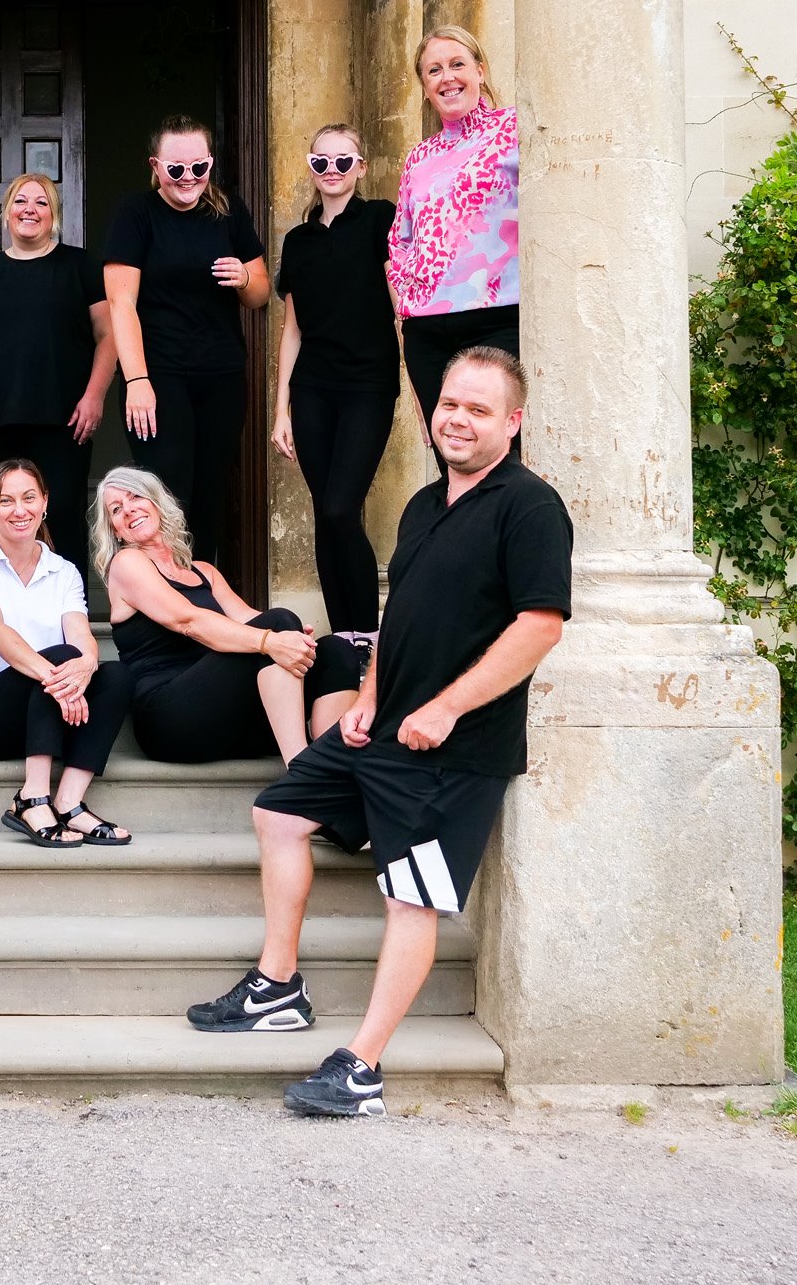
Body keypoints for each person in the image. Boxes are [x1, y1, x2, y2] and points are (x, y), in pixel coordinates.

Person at [188, 347, 571, 1120]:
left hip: (453, 751)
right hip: (382, 729)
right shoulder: (425, 504)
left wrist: (447, 708)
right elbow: (399, 614)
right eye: (450, 404)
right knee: (279, 813)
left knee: (411, 898)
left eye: (479, 409)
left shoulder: (530, 507)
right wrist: (366, 691)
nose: (458, 419)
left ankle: (361, 1068)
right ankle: (278, 987)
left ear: (514, 423)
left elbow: (539, 627)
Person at [97, 467, 361, 767]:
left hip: (226, 716)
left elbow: (249, 619)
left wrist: (296, 638)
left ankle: (332, 766)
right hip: (171, 719)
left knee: (336, 651)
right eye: (116, 510)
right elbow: (187, 621)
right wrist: (272, 639)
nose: (129, 510)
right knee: (276, 627)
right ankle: (301, 772)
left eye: (135, 497)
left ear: (156, 502)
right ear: (116, 530)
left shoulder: (203, 572)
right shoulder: (126, 563)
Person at [101, 115, 269, 566]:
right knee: (167, 492)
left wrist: (244, 277)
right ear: (156, 166)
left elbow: (260, 293)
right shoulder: (135, 214)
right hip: (159, 376)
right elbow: (122, 305)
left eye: (200, 167)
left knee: (212, 494)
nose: (189, 178)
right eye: (177, 169)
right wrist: (137, 380)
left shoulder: (227, 211)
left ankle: (203, 604)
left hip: (222, 374)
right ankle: (163, 605)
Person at [0, 458, 134, 849]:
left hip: (41, 715)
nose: (20, 510)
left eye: (29, 498)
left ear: (45, 503)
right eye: (7, 500)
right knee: (62, 656)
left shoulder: (62, 571)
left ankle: (69, 802)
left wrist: (84, 669)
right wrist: (63, 679)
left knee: (117, 675)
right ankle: (30, 798)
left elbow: (83, 641)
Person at [0, 173, 115, 588]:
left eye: (41, 202)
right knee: (9, 520)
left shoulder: (80, 266)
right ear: (7, 212)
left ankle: (71, 622)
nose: (30, 210)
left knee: (62, 518)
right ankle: (8, 621)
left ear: (53, 214)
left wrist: (95, 396)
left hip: (65, 422)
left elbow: (109, 336)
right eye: (21, 201)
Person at [270, 124, 399, 642]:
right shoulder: (298, 241)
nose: (332, 171)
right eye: (321, 162)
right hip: (312, 391)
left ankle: (368, 636)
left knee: (343, 506)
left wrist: (417, 386)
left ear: (361, 167)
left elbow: (400, 307)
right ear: (310, 167)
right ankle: (345, 640)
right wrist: (281, 410)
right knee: (327, 513)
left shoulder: (379, 219)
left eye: (343, 162)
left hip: (368, 383)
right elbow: (292, 330)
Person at [387, 27, 520, 437]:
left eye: (457, 64)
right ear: (425, 86)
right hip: (427, 332)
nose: (447, 77)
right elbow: (400, 242)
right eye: (434, 70)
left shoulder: (515, 129)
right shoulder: (419, 156)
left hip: (494, 320)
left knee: (499, 452)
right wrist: (408, 310)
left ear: (480, 71)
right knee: (452, 454)